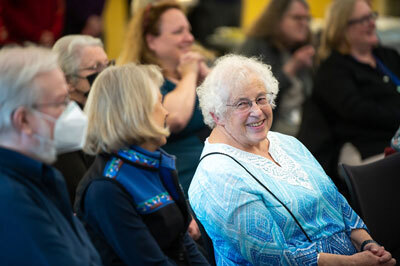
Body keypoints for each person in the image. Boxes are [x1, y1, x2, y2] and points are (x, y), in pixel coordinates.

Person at [188, 54, 395, 265]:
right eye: (242, 104)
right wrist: (355, 262)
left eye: (261, 99)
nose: (257, 112)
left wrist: (368, 245)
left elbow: (338, 204)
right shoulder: (217, 177)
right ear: (216, 115)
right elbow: (276, 258)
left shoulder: (285, 143)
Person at [74, 63, 210, 266]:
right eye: (159, 103)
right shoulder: (107, 187)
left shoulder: (155, 163)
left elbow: (182, 241)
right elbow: (149, 262)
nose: (166, 113)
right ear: (136, 112)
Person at [0, 46, 101, 265]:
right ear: (23, 120)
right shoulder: (9, 198)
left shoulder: (42, 175)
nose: (71, 111)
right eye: (61, 103)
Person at [298, 0, 400, 185]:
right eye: (363, 19)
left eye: (372, 16)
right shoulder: (333, 70)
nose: (372, 23)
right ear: (343, 28)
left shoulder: (388, 56)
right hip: (365, 149)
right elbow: (359, 113)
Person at [118, 0, 211, 198]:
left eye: (189, 30)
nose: (189, 38)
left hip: (215, 172)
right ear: (151, 40)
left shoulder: (195, 71)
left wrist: (208, 79)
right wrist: (189, 75)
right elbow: (174, 119)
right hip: (183, 186)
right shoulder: (144, 81)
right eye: (178, 32)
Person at [238, 0, 314, 136]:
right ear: (277, 19)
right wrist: (291, 68)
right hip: (267, 133)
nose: (304, 23)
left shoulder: (303, 48)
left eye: (306, 18)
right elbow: (252, 99)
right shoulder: (256, 48)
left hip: (301, 131)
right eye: (297, 18)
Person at [52, 34, 112, 203]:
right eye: (95, 68)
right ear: (67, 80)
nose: (106, 74)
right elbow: (81, 189)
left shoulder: (106, 112)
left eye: (108, 65)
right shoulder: (65, 124)